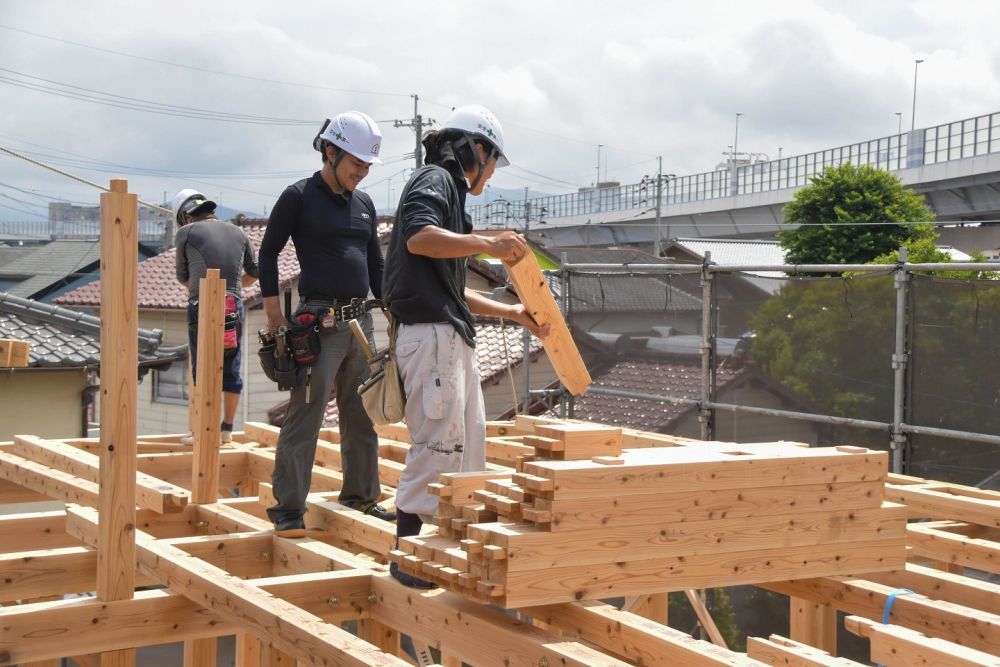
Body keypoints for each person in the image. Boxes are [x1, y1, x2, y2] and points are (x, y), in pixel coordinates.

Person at [382, 104, 548, 586]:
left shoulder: (451, 199)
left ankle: (448, 543)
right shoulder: (434, 179)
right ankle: (410, 554)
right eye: (492, 161)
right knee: (438, 442)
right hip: (431, 337)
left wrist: (513, 312)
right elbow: (417, 238)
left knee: (467, 442)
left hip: (445, 334)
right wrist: (486, 244)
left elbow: (454, 289)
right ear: (476, 149)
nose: (490, 175)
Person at [258, 110, 395, 537]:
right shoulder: (298, 196)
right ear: (331, 152)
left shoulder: (364, 204)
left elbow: (375, 262)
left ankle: (361, 495)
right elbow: (267, 252)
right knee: (307, 412)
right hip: (318, 322)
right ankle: (288, 511)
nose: (362, 173)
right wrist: (274, 312)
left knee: (362, 412)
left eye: (367, 166)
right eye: (356, 164)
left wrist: (390, 307)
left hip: (361, 322)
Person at [173, 189, 259, 444]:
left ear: (187, 216)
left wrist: (208, 287)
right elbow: (254, 273)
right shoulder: (240, 232)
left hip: (202, 305)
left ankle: (203, 431)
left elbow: (183, 278)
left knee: (203, 366)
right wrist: (232, 287)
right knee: (230, 364)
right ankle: (226, 429)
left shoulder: (185, 233)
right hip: (233, 305)